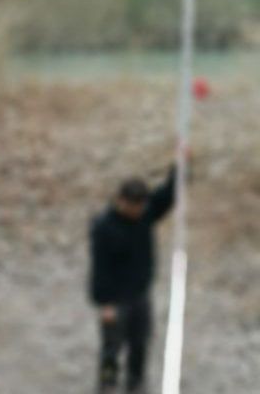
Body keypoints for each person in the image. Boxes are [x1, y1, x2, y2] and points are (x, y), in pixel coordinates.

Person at [89, 165, 176, 394]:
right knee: (112, 347)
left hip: (140, 294)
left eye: (141, 206)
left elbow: (166, 197)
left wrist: (180, 168)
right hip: (116, 299)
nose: (139, 210)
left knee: (140, 343)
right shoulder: (104, 227)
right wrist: (104, 302)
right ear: (122, 201)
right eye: (135, 206)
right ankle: (107, 383)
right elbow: (100, 268)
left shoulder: (144, 215)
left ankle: (135, 382)